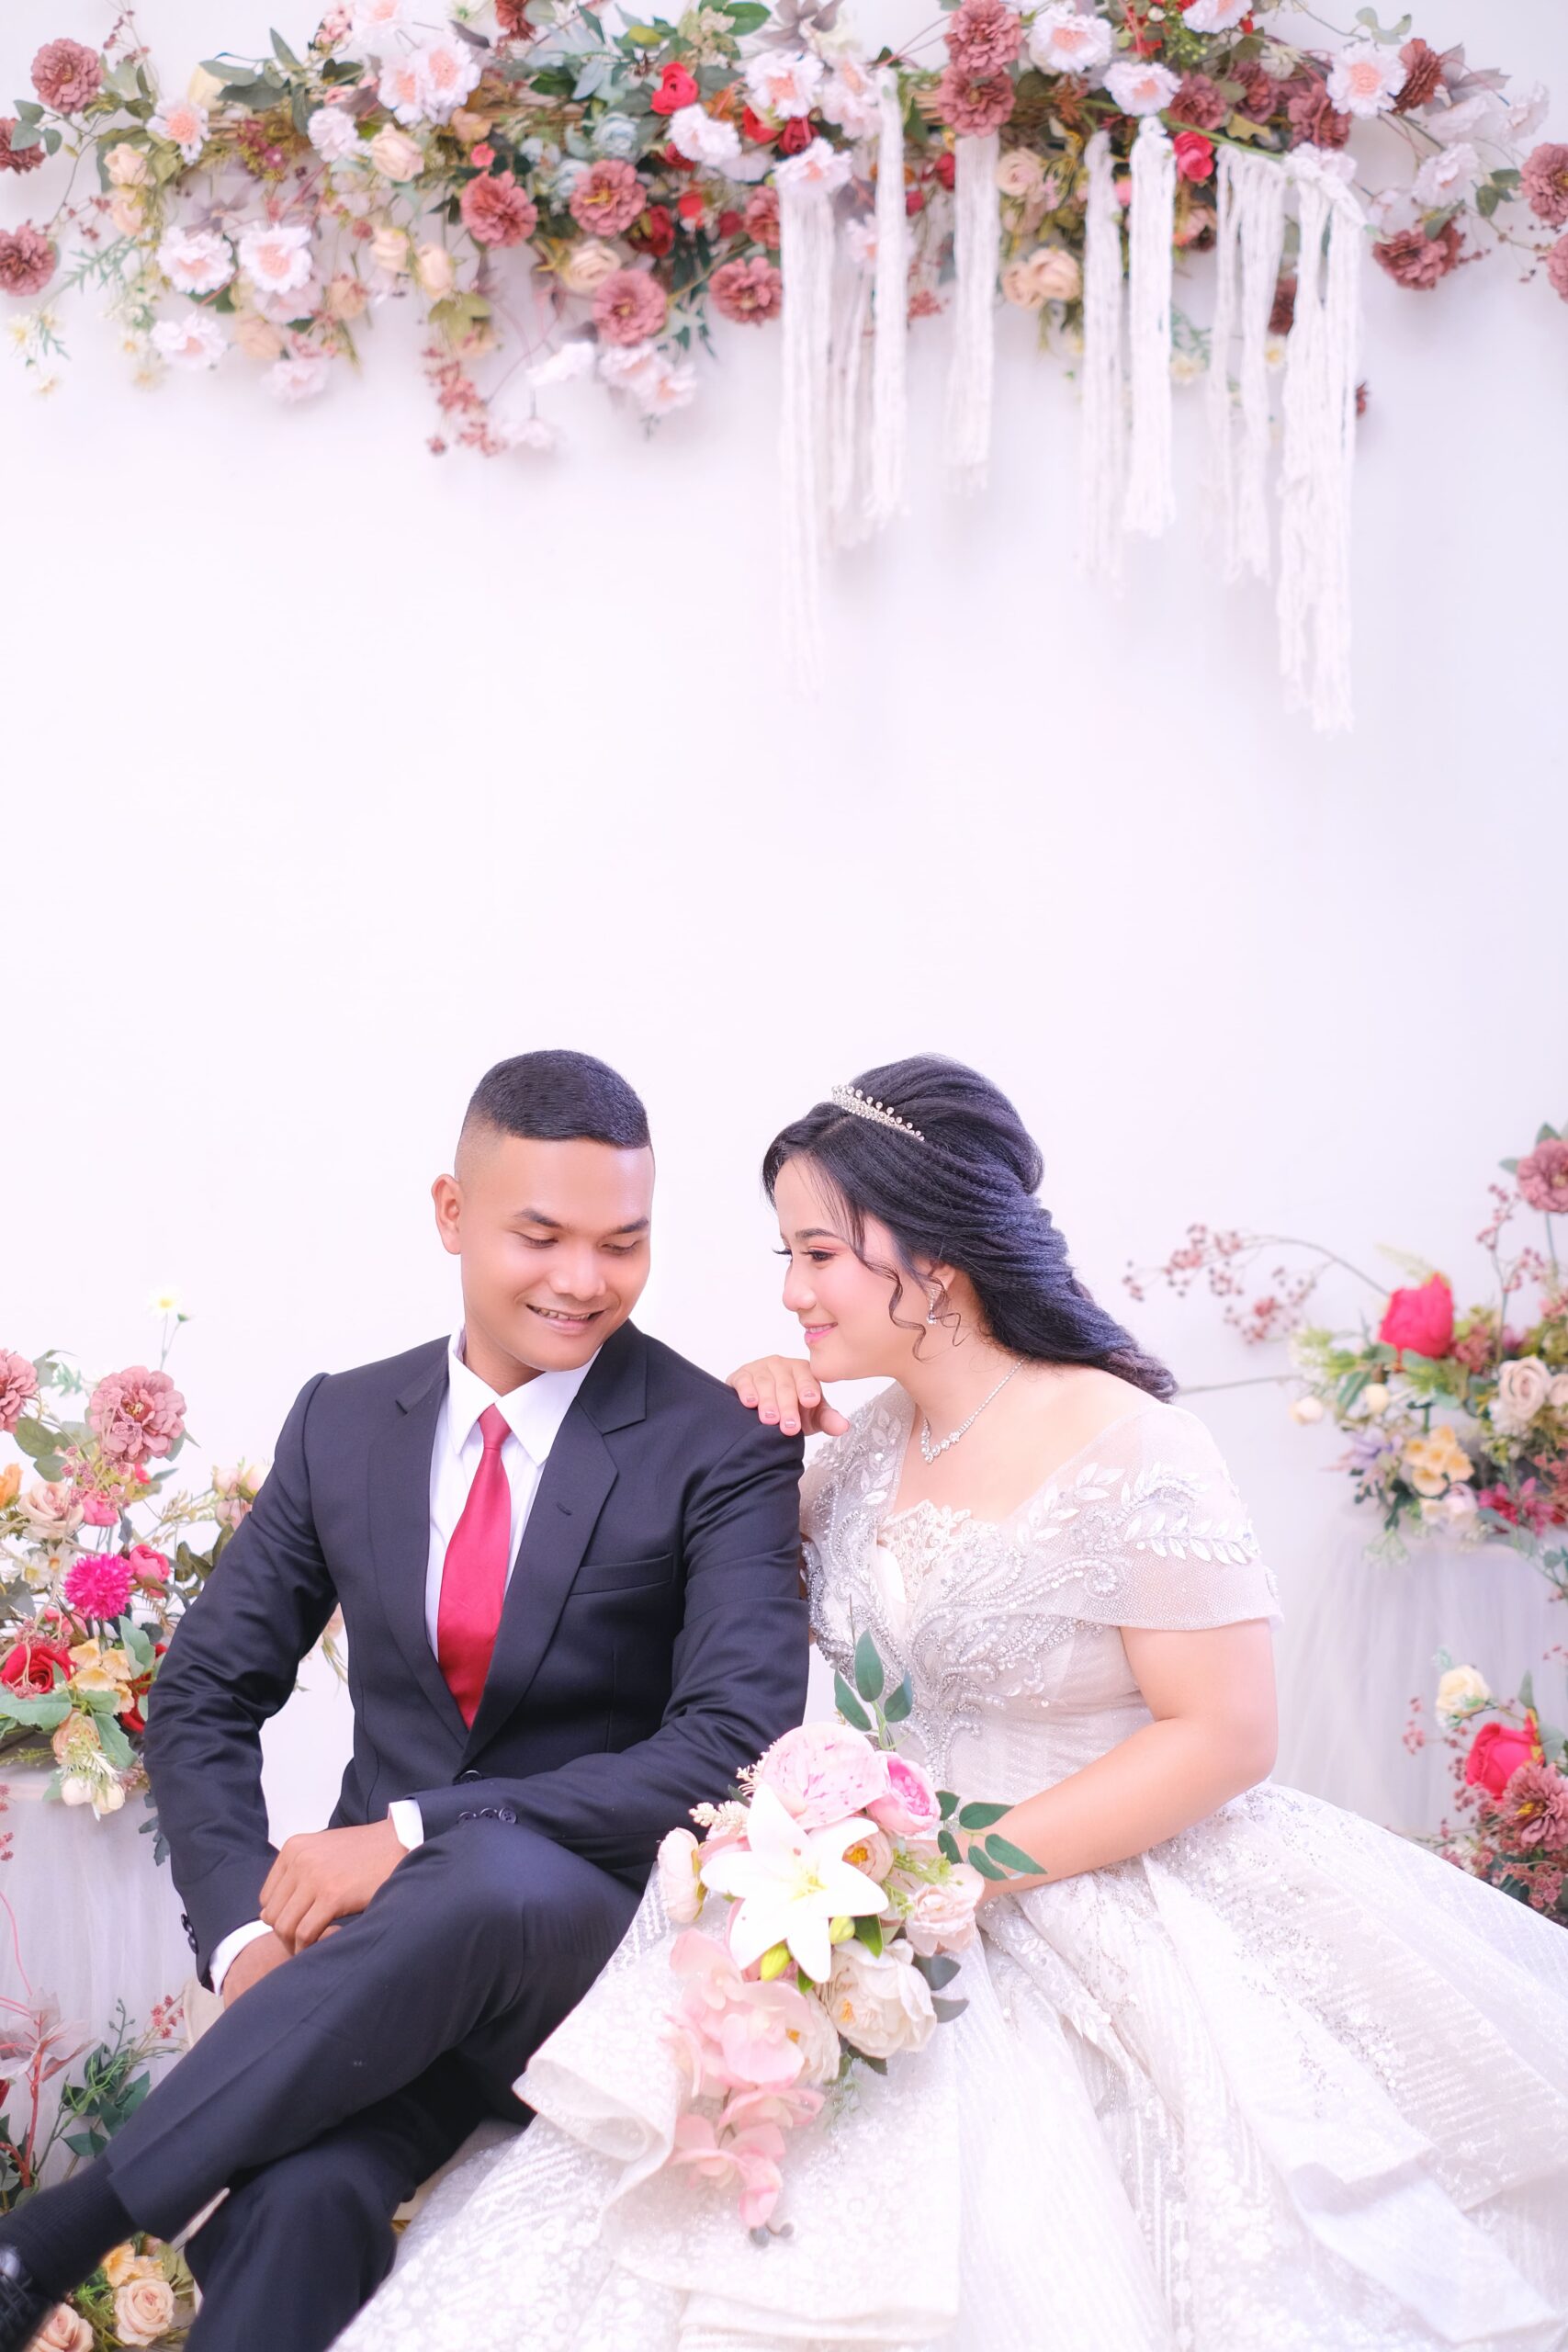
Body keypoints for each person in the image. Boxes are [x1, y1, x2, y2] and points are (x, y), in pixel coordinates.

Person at [334, 1057, 1568, 2352]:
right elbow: (697, 1590)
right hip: (874, 1894)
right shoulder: (864, 1447)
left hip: (1099, 1892)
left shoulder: (1132, 1442)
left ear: (937, 1256)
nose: (792, 1290)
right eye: (788, 1255)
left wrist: (957, 1871)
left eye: (820, 1255)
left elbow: (1225, 1734)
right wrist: (738, 1428)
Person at [0, 1051, 807, 2352]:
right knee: (302, 2202)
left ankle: (50, 2240)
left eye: (623, 1243)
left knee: (489, 1872)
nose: (584, 1280)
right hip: (381, 1984)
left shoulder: (717, 1443)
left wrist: (416, 1830)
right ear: (450, 1213)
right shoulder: (345, 1422)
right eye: (541, 1235)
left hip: (597, 1956)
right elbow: (205, 1692)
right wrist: (243, 1943)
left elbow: (731, 1749)